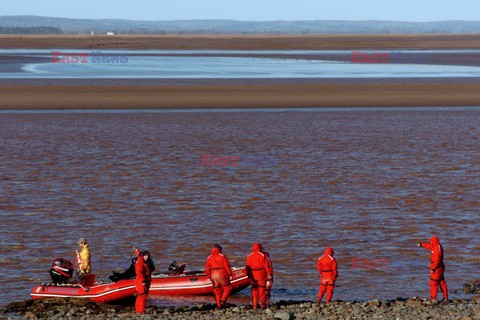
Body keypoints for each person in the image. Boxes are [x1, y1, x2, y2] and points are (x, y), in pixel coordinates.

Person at [417, 236, 448, 301]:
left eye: (431, 242)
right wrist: (421, 244)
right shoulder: (437, 246)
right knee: (441, 281)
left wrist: (432, 268)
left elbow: (437, 261)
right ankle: (445, 297)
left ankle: (433, 298)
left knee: (433, 282)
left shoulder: (436, 249)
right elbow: (430, 246)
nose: (430, 243)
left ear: (433, 242)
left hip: (437, 268)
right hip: (440, 267)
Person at [246, 243, 273, 309]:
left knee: (254, 290)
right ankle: (262, 305)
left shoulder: (249, 256)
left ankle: (254, 305)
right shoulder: (263, 255)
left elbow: (247, 268)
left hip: (253, 275)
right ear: (260, 248)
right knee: (261, 289)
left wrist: (249, 276)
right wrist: (269, 274)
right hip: (261, 274)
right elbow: (267, 266)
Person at [205, 244, 232, 308]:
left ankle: (219, 305)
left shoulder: (209, 258)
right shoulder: (222, 256)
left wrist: (209, 277)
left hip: (213, 274)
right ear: (219, 249)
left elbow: (207, 269)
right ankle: (223, 300)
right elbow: (227, 266)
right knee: (228, 287)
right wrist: (230, 274)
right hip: (221, 272)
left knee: (217, 290)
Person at [134, 249, 152, 314]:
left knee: (141, 296)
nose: (147, 257)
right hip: (141, 282)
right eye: (145, 255)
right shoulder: (140, 262)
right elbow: (139, 273)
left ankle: (139, 310)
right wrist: (143, 281)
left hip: (144, 281)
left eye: (148, 255)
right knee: (142, 296)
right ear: (143, 256)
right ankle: (141, 311)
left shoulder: (143, 262)